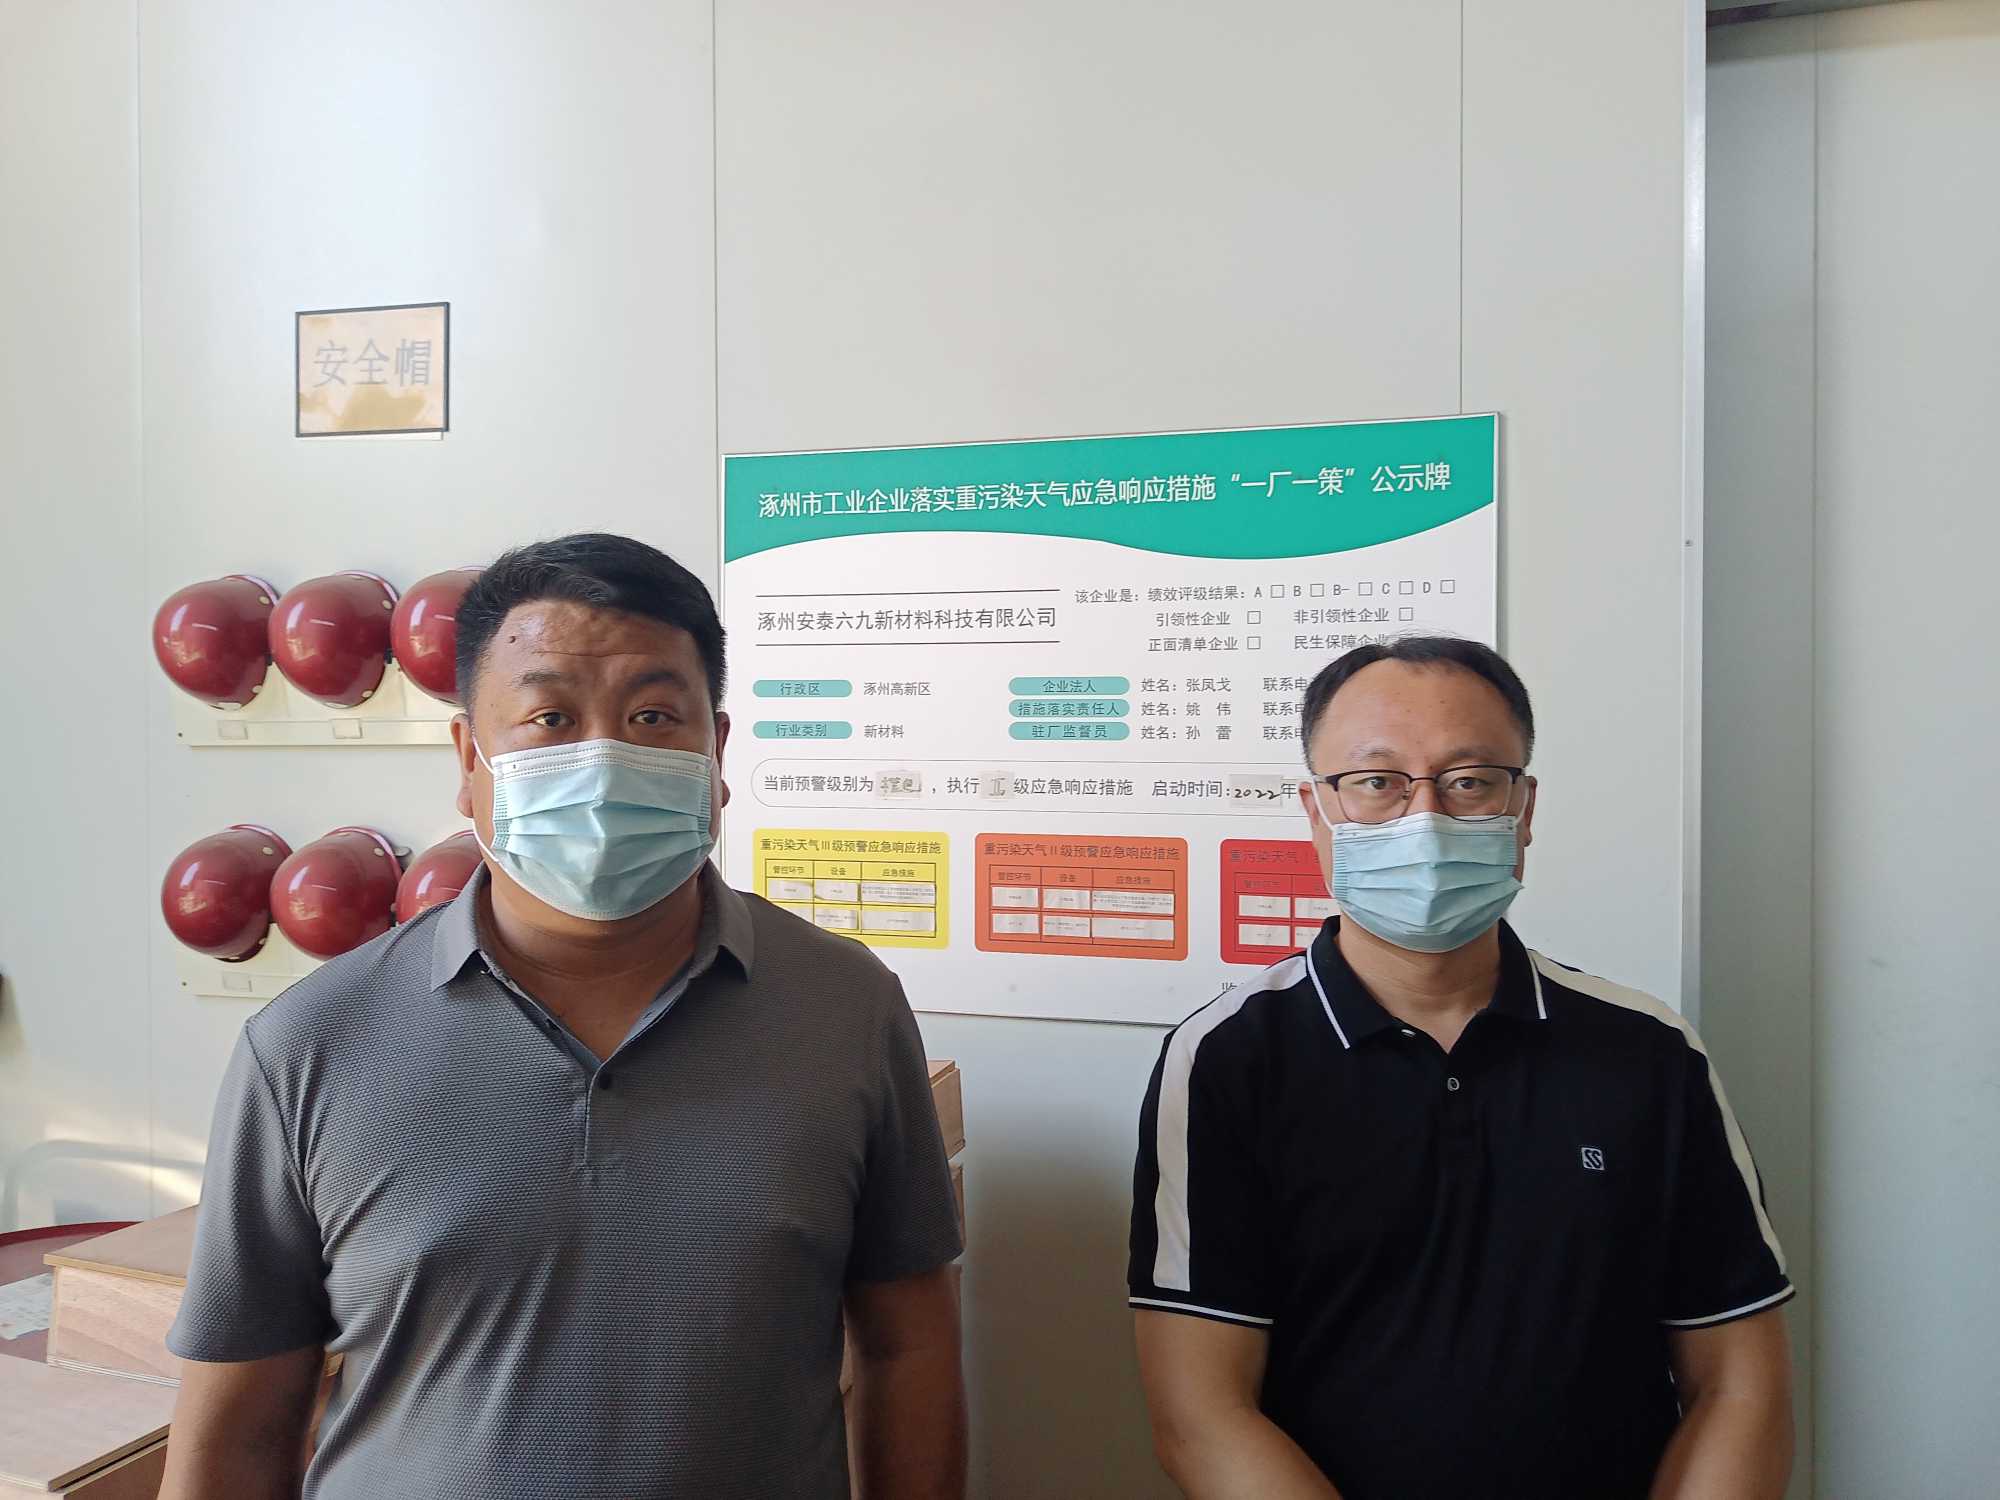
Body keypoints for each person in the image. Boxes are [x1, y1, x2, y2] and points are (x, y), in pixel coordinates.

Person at [160, 533, 967, 1500]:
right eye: (549, 717)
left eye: (653, 716)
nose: (603, 759)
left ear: (717, 749)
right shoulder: (308, 1045)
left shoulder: (845, 1007)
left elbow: (909, 1347)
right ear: (470, 758)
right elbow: (238, 1428)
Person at [1129, 637, 1794, 1500]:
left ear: (1523, 809)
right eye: (1377, 782)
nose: (1426, 818)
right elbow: (1201, 1414)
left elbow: (1738, 1384)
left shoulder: (1648, 1052)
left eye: (1470, 781)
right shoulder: (1226, 1059)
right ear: (1316, 812)